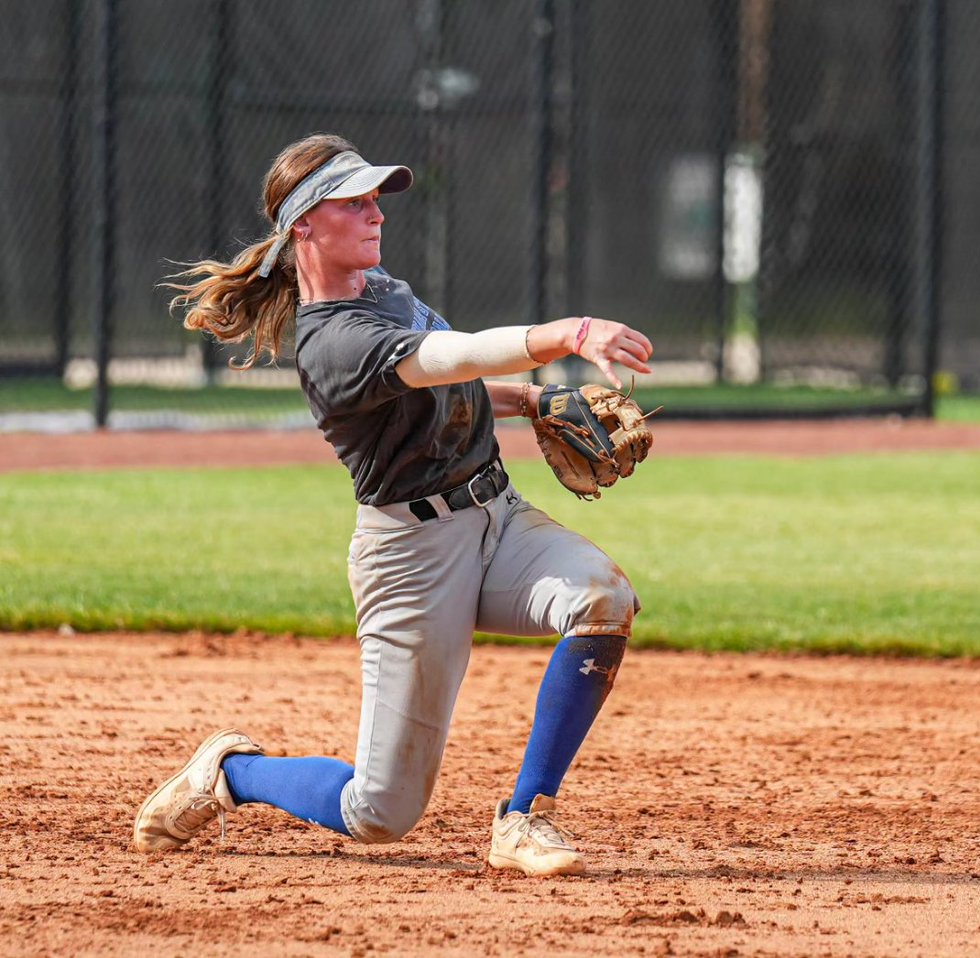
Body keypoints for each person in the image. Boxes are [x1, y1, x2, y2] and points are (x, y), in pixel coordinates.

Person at [133, 133, 654, 877]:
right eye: (354, 201)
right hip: (410, 560)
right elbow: (454, 357)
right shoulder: (332, 344)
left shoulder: (382, 292)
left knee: (602, 599)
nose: (376, 212)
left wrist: (533, 399)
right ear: (305, 225)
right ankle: (230, 773)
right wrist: (568, 335)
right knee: (380, 813)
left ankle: (524, 819)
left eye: (376, 197)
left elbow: (452, 382)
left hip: (495, 516)